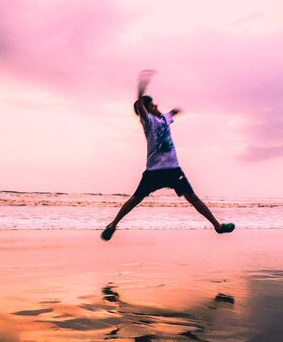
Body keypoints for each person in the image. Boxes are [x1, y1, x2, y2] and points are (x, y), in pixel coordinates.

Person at [101, 70, 235, 241]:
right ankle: (112, 226)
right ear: (147, 110)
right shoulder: (148, 121)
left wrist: (186, 102)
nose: (156, 106)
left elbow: (174, 112)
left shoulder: (165, 117)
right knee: (135, 199)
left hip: (173, 169)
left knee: (193, 197)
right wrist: (141, 89)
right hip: (154, 170)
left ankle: (218, 226)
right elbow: (141, 107)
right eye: (152, 105)